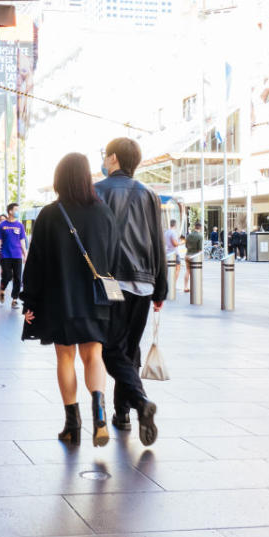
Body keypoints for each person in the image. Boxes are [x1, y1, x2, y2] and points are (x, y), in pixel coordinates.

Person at [22, 153, 118, 448]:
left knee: (66, 357)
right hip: (95, 297)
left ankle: (72, 423)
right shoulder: (104, 213)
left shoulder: (50, 214)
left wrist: (30, 301)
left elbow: (35, 262)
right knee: (94, 356)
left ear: (59, 178)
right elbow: (113, 256)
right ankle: (100, 413)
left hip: (59, 298)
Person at [95, 137, 164, 446]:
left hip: (111, 278)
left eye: (104, 156)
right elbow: (157, 241)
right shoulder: (149, 193)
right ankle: (122, 412)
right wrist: (160, 287)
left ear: (112, 159)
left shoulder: (98, 191)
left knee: (110, 349)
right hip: (145, 281)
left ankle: (139, 401)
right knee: (129, 348)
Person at [0, 202, 28, 309]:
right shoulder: (2, 225)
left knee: (18, 278)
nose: (18, 212)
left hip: (17, 255)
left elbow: (22, 241)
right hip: (5, 255)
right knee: (7, 276)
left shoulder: (20, 225)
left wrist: (25, 254)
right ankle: (2, 289)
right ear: (10, 211)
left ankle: (14, 299)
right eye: (16, 210)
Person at [184, 222, 203, 291]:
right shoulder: (200, 236)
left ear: (194, 227)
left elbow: (186, 246)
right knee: (195, 272)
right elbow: (200, 249)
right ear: (200, 228)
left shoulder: (188, 235)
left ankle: (185, 287)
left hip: (187, 255)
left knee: (187, 271)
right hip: (195, 257)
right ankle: (195, 288)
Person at [163, 219, 180, 289]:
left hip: (167, 253)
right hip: (174, 253)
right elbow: (175, 244)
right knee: (177, 269)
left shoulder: (166, 232)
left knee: (168, 269)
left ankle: (168, 283)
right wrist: (181, 242)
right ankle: (172, 284)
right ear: (175, 225)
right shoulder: (173, 232)